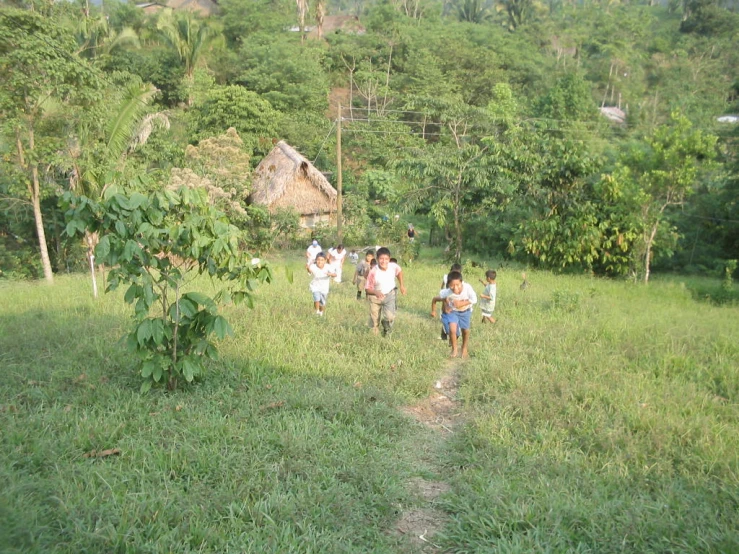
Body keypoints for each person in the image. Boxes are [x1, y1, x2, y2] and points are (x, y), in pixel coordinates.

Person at [431, 271, 477, 358]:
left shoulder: (467, 288)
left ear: (462, 282)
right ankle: (454, 348)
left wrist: (461, 303)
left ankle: (464, 347)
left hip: (465, 311)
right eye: (452, 285)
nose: (455, 288)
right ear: (448, 285)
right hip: (453, 312)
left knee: (465, 330)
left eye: (458, 285)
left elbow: (474, 299)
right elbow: (442, 296)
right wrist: (446, 305)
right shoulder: (447, 292)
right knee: (452, 329)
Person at [365, 247, 406, 337]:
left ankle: (386, 328)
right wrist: (376, 292)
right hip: (375, 296)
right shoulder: (373, 272)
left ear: (389, 259)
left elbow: (399, 272)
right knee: (374, 320)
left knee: (390, 317)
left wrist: (402, 285)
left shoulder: (393, 267)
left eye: (386, 259)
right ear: (377, 259)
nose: (384, 261)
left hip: (390, 295)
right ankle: (374, 338)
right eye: (381, 259)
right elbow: (367, 289)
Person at [438, 263, 462, 341]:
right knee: (445, 315)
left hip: (454, 301)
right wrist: (442, 292)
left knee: (453, 316)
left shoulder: (459, 280)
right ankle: (444, 335)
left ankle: (454, 334)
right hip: (446, 298)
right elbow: (443, 286)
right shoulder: (446, 278)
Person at [307, 252, 336, 316]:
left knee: (322, 302)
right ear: (316, 260)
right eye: (318, 260)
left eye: (322, 260)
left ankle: (321, 312)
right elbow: (310, 271)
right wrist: (308, 268)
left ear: (325, 261)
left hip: (324, 287)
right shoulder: (313, 266)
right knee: (316, 298)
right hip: (315, 286)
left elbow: (335, 274)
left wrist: (330, 274)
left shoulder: (328, 267)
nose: (320, 261)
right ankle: (316, 311)